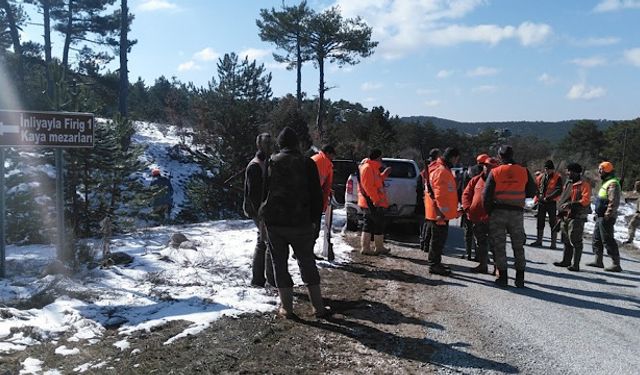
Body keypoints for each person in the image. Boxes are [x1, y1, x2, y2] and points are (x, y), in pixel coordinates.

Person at [259, 127, 330, 319]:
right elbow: (317, 195)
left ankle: (287, 308)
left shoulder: (271, 162)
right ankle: (318, 307)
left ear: (280, 144)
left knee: (279, 263)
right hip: (302, 222)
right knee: (307, 262)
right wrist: (315, 221)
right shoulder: (307, 163)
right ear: (297, 144)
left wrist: (263, 216)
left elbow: (264, 192)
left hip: (275, 223)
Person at [483, 145, 537, 287]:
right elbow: (532, 191)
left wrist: (489, 211)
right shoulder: (523, 171)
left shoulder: (495, 172)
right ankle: (520, 279)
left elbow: (486, 195)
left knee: (499, 246)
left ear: (500, 156)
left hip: (498, 212)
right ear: (513, 155)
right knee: (518, 246)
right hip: (516, 213)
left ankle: (503, 278)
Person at [243, 133, 276, 288]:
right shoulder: (255, 166)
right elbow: (253, 195)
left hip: (264, 210)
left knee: (263, 242)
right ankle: (267, 280)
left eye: (270, 143)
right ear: (259, 145)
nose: (269, 146)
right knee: (267, 242)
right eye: (266, 144)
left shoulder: (265, 163)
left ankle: (259, 280)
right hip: (259, 211)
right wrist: (261, 214)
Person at [424, 147, 461, 275]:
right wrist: (441, 213)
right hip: (439, 215)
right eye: (457, 159)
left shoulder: (442, 169)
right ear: (453, 157)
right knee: (437, 241)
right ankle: (434, 265)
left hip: (440, 213)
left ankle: (436, 263)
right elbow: (438, 195)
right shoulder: (442, 171)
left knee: (438, 241)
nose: (457, 162)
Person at [552, 163, 592, 271]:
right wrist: (560, 211)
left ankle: (576, 265)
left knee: (575, 241)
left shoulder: (584, 184)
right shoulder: (568, 183)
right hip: (565, 216)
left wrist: (571, 204)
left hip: (577, 216)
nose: (567, 173)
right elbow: (564, 197)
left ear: (575, 172)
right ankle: (566, 261)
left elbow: (585, 200)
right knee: (566, 239)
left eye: (569, 171)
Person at [462, 156, 498, 274]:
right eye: (486, 166)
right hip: (477, 218)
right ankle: (483, 265)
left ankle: (498, 268)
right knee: (480, 243)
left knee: (495, 244)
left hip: (493, 219)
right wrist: (467, 208)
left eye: (491, 167)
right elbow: (466, 194)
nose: (488, 169)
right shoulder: (476, 180)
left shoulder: (499, 182)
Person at [587, 161, 622, 272]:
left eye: (601, 170)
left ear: (607, 171)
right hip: (600, 216)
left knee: (607, 239)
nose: (599, 172)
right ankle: (598, 261)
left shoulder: (612, 183)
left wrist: (608, 214)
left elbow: (613, 201)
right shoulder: (606, 182)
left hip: (606, 217)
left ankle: (616, 264)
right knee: (596, 239)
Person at [358, 149, 392, 255]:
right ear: (377, 157)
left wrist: (384, 175)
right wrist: (375, 200)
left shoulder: (373, 168)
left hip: (374, 202)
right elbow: (368, 187)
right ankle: (366, 248)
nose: (381, 159)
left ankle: (378, 247)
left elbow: (376, 181)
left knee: (378, 224)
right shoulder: (368, 168)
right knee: (369, 224)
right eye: (380, 157)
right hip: (370, 203)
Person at [530, 160, 563, 249]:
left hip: (551, 202)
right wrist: (537, 198)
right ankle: (539, 241)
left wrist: (548, 197)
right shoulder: (540, 177)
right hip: (541, 202)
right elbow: (536, 188)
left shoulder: (557, 177)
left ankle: (553, 243)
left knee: (553, 222)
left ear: (553, 169)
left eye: (549, 169)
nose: (547, 170)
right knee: (540, 221)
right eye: (546, 169)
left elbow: (559, 190)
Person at [459, 155, 486, 260]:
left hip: (469, 205)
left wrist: (463, 204)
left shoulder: (470, 171)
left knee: (468, 231)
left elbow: (464, 190)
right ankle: (480, 255)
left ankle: (468, 254)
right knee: (481, 234)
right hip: (482, 208)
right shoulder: (488, 173)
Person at [419, 148, 441, 253]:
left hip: (426, 196)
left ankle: (424, 243)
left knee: (427, 222)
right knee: (430, 223)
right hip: (430, 197)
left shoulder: (428, 167)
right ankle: (425, 244)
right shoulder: (434, 167)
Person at [311, 145, 336, 213]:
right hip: (314, 198)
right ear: (327, 153)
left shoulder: (313, 159)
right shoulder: (328, 165)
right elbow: (326, 187)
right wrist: (324, 205)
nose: (332, 158)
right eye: (332, 155)